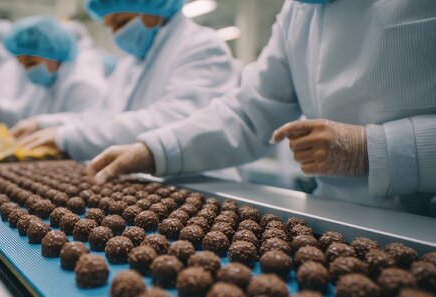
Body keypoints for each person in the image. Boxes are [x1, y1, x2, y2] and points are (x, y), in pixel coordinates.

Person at [87, 0, 436, 216]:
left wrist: (380, 149)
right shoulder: (298, 11)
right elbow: (248, 113)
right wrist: (155, 150)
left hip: (422, 221)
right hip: (333, 214)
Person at [13, 0, 240, 165]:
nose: (114, 33)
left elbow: (171, 122)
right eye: (109, 25)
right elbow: (101, 115)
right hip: (149, 178)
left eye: (121, 22)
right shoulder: (130, 63)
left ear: (154, 6)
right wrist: (43, 124)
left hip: (200, 181)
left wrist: (67, 137)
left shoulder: (201, 47)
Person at [0, 16, 106, 128]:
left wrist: (40, 124)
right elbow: (18, 115)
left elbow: (86, 130)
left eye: (31, 62)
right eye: (21, 64)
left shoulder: (83, 84)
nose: (27, 70)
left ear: (54, 55)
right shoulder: (46, 82)